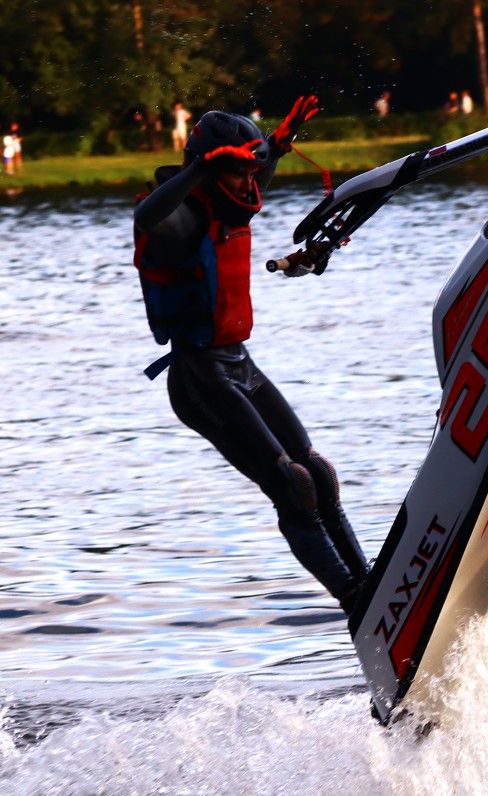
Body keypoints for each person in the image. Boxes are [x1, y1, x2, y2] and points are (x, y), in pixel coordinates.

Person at [133, 97, 369, 615]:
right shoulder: (179, 219)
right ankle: (354, 599)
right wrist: (200, 166)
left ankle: (371, 581)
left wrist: (277, 146)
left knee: (318, 474)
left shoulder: (227, 204)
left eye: (251, 170)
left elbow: (253, 175)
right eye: (238, 171)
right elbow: (145, 216)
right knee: (292, 484)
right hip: (200, 377)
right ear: (209, 169)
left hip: (239, 363)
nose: (250, 182)